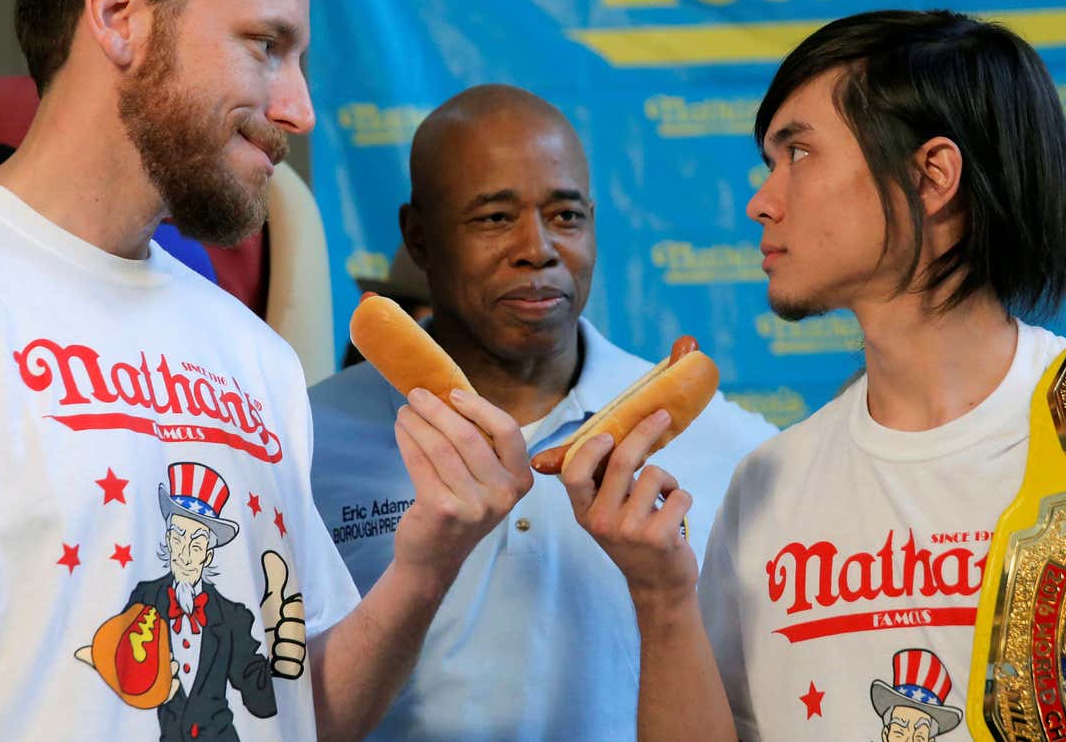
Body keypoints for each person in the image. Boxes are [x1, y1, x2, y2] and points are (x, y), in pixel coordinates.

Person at [0, 0, 530, 740]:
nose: (300, 109)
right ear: (119, 15)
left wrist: (427, 562)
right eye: (265, 45)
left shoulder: (252, 354)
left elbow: (299, 712)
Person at [540, 9, 1066, 739]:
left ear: (933, 176)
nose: (762, 201)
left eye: (797, 153)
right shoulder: (769, 484)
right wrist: (659, 597)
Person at [308, 84, 776, 740]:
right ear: (419, 237)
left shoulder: (731, 448)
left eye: (565, 216)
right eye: (494, 218)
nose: (538, 248)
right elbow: (268, 710)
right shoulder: (303, 443)